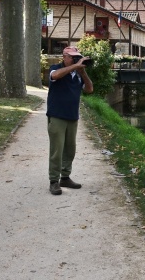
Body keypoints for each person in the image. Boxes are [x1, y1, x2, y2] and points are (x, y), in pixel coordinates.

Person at [46, 46, 93, 195]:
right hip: (57, 116)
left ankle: (65, 177)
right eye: (72, 57)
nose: (75, 59)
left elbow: (89, 89)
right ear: (64, 57)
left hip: (72, 117)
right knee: (57, 150)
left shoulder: (78, 74)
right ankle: (54, 181)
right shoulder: (56, 68)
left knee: (70, 149)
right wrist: (74, 66)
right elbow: (55, 76)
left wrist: (82, 72)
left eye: (77, 57)